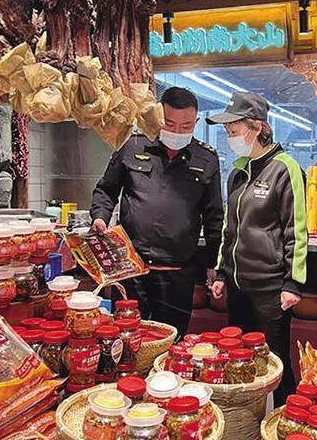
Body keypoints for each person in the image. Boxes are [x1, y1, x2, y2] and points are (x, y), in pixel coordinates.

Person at [90, 87, 224, 336]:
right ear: (159, 118)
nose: (177, 132)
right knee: (126, 338)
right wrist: (100, 217)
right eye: (170, 124)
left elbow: (214, 215)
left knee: (172, 340)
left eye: (186, 126)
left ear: (195, 122)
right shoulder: (133, 145)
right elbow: (106, 190)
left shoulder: (206, 158)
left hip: (177, 275)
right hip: (131, 270)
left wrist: (213, 263)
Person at [209, 92, 308, 406]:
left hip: (270, 288)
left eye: (234, 130)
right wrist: (222, 273)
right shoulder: (237, 172)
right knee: (238, 358)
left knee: (275, 361)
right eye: (227, 131)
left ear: (257, 127)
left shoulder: (285, 168)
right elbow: (230, 228)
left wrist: (293, 283)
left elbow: (296, 229)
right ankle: (246, 418)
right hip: (238, 285)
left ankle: (283, 417)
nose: (230, 137)